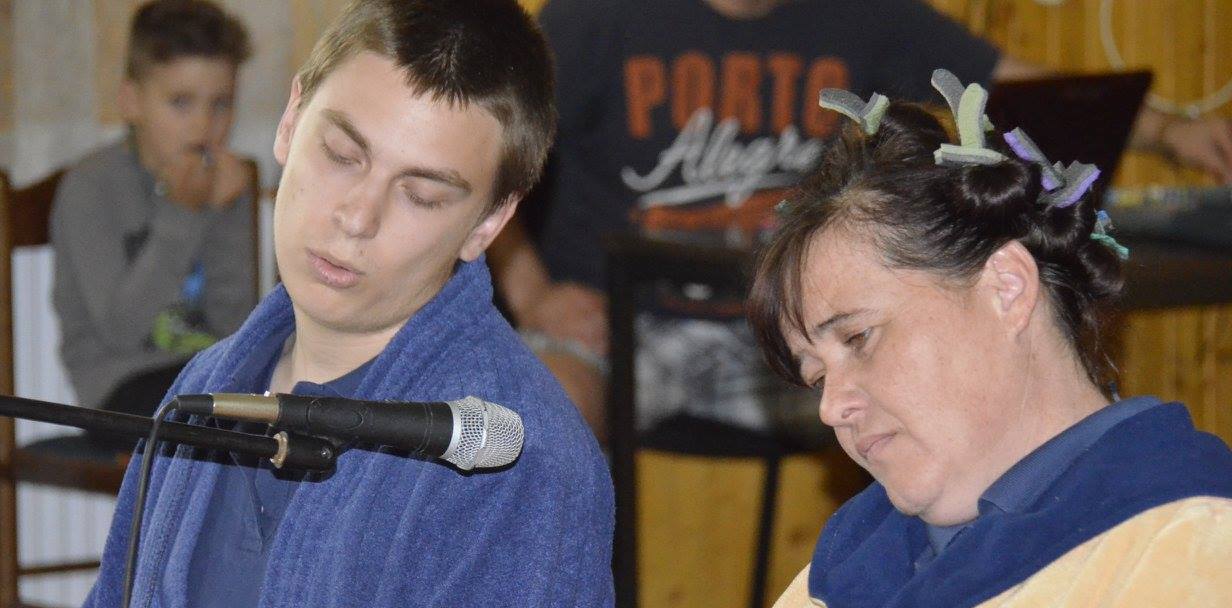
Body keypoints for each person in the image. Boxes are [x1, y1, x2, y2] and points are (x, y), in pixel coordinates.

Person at [0, 1, 614, 608]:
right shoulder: (209, 388)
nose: (356, 217)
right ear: (291, 120)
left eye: (422, 195)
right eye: (341, 154)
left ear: (490, 222)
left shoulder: (515, 465)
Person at [670, 77, 1232, 608]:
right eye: (817, 376)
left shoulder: (1183, 551)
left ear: (1007, 289)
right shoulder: (845, 562)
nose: (833, 407)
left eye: (859, 339)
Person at [490, 0, 1232, 442]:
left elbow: (1011, 87)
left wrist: (1170, 132)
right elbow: (491, 149)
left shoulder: (864, 15)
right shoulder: (595, 19)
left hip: (806, 341)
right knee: (540, 419)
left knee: (959, 397)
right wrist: (532, 292)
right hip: (622, 325)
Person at [51, 0, 258, 440]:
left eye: (221, 104)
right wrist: (185, 212)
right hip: (121, 387)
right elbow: (121, 331)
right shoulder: (92, 186)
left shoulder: (226, 182)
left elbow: (235, 327)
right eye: (181, 102)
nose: (203, 126)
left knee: (297, 406)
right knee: (223, 427)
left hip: (208, 374)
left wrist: (220, 213)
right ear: (131, 101)